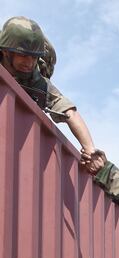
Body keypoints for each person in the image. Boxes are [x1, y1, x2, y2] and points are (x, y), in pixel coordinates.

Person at [0, 16, 94, 155]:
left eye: (34, 57)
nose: (30, 63)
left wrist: (90, 149)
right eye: (24, 55)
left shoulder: (38, 81)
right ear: (6, 51)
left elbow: (69, 112)